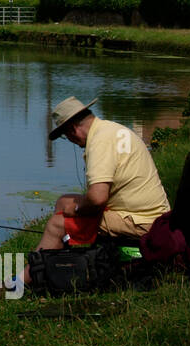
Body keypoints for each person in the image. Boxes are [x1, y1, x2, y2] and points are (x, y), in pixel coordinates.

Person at [21, 96, 171, 284]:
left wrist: (75, 210)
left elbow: (98, 198)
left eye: (66, 136)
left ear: (73, 129)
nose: (71, 141)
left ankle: (20, 283)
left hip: (142, 221)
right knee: (63, 201)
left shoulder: (100, 143)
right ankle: (62, 263)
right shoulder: (110, 129)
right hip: (154, 214)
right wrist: (73, 206)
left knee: (56, 224)